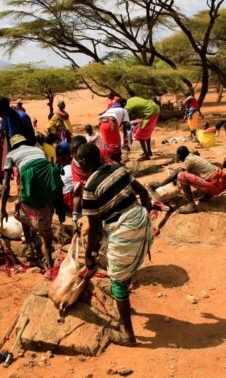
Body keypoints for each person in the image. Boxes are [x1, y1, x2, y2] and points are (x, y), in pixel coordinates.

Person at [79, 143, 153, 346]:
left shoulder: (90, 188)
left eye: (77, 159)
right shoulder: (117, 169)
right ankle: (125, 299)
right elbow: (144, 193)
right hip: (140, 220)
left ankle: (129, 336)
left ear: (84, 162)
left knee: (117, 280)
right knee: (123, 266)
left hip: (125, 229)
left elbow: (94, 228)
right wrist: (144, 215)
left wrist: (88, 255)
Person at [0, 134, 64, 268]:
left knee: (22, 207)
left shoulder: (11, 155)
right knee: (46, 208)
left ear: (13, 145)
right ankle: (49, 260)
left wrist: (3, 209)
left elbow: (5, 185)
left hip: (31, 176)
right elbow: (43, 168)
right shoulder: (38, 149)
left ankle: (29, 244)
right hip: (49, 176)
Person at [156, 146, 226, 214]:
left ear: (180, 156)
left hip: (215, 185)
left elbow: (174, 174)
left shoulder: (189, 160)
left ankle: (192, 205)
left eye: (177, 156)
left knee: (181, 176)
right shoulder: (193, 156)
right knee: (187, 172)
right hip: (220, 182)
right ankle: (208, 195)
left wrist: (159, 185)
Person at [124, 96, 160, 161]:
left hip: (150, 112)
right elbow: (138, 116)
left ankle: (146, 155)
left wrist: (129, 123)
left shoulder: (127, 107)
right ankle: (149, 151)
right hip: (155, 109)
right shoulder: (131, 100)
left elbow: (125, 120)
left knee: (140, 134)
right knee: (147, 131)